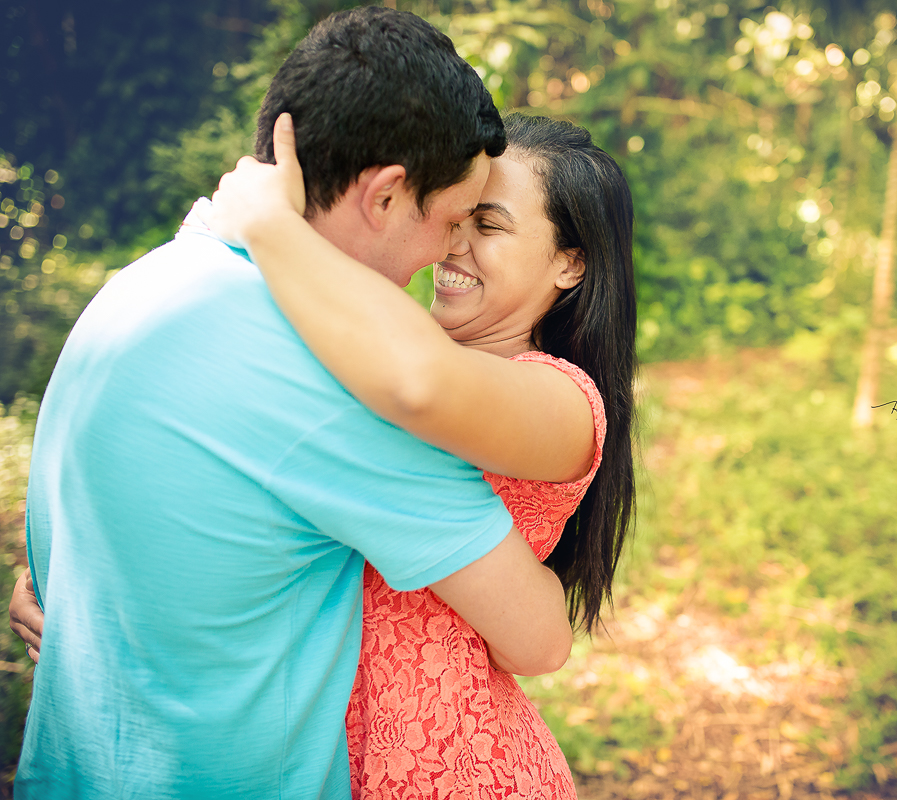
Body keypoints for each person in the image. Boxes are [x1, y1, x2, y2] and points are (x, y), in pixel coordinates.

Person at [13, 9, 574, 799]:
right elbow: (537, 634)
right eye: (450, 220)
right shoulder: (330, 383)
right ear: (384, 196)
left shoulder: (133, 293)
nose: (448, 251)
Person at [206, 109, 637, 797]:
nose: (452, 245)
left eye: (488, 225)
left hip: (460, 768)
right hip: (314, 753)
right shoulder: (386, 359)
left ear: (569, 262)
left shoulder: (562, 400)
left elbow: (424, 383)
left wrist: (271, 226)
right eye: (453, 216)